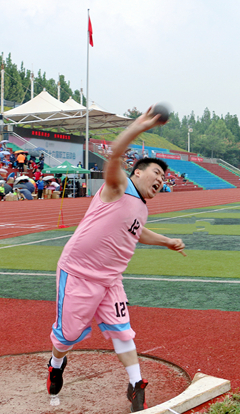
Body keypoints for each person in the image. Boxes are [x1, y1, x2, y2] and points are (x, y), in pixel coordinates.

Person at [46, 107, 185, 411]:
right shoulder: (118, 186)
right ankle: (56, 364)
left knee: (123, 331)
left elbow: (138, 231)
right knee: (67, 336)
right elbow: (115, 155)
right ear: (137, 172)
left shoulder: (142, 208)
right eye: (156, 172)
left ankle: (135, 384)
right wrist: (139, 126)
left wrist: (166, 242)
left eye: (164, 177)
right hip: (79, 272)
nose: (161, 179)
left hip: (110, 280)